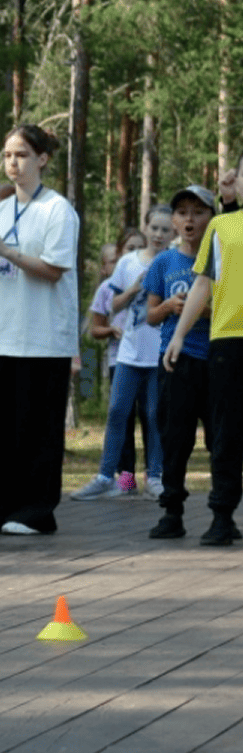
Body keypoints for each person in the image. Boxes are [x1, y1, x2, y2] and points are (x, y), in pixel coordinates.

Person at [0, 125, 80, 535]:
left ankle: (34, 511)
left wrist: (8, 250)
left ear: (43, 159)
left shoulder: (57, 211)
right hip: (0, 333)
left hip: (43, 338)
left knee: (36, 428)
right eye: (8, 154)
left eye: (23, 154)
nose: (13, 162)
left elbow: (52, 269)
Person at [71, 203, 173, 501]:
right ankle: (107, 476)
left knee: (155, 416)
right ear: (145, 226)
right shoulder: (127, 262)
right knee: (117, 412)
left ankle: (154, 477)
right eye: (154, 228)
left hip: (160, 354)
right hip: (128, 353)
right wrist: (134, 290)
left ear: (173, 232)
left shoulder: (175, 261)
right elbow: (112, 306)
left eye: (165, 230)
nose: (158, 234)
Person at [163, 180, 243, 545]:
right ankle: (222, 516)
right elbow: (202, 284)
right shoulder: (222, 226)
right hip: (228, 341)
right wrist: (179, 334)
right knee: (225, 434)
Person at [146, 186, 216, 538]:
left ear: (213, 218)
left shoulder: (226, 260)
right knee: (175, 436)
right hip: (176, 360)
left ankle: (223, 514)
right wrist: (170, 308)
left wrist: (199, 309)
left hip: (217, 358)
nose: (190, 219)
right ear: (174, 221)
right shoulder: (164, 262)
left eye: (199, 211)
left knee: (221, 438)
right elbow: (150, 315)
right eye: (183, 212)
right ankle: (171, 512)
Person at [85, 228, 148, 496]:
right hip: (119, 360)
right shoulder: (106, 289)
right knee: (123, 417)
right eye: (128, 248)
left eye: (139, 247)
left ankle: (155, 476)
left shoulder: (152, 279)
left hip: (149, 360)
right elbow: (94, 329)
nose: (134, 253)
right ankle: (126, 480)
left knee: (151, 415)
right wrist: (111, 331)